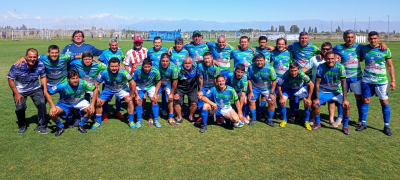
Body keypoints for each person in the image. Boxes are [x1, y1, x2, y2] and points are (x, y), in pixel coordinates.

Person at [333, 30, 387, 126]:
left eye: (351, 37)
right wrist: (335, 55)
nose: (349, 39)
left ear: (355, 38)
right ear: (344, 38)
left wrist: (382, 43)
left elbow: (372, 47)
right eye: (348, 37)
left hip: (356, 77)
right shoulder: (338, 47)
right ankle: (340, 116)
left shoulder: (359, 47)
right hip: (343, 77)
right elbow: (327, 52)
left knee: (359, 97)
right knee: (341, 98)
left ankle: (360, 118)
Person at [358, 31, 395, 136]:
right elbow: (358, 56)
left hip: (381, 81)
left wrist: (393, 80)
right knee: (365, 100)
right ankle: (363, 123)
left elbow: (390, 66)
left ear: (379, 39)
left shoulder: (385, 49)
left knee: (384, 102)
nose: (373, 40)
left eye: (375, 38)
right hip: (367, 80)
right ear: (367, 39)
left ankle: (386, 126)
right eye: (371, 38)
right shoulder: (363, 48)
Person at [7, 48, 52, 134]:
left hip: (35, 88)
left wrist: (45, 90)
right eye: (30, 57)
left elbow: (43, 76)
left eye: (34, 57)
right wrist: (16, 94)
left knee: (41, 104)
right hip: (20, 90)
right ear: (26, 57)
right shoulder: (17, 66)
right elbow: (10, 80)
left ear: (37, 57)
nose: (32, 59)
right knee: (20, 108)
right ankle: (22, 126)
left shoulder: (40, 64)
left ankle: (42, 126)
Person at [48, 70, 97, 136]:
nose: (75, 80)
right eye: (73, 78)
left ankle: (81, 124)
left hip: (80, 102)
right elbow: (48, 93)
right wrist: (53, 107)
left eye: (77, 78)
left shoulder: (83, 82)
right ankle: (60, 126)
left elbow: (95, 89)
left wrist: (92, 105)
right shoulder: (62, 85)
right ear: (68, 79)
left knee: (91, 110)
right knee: (52, 114)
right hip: (65, 104)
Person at [312, 52, 351, 135]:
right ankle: (318, 123)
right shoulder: (321, 67)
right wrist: (317, 98)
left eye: (332, 58)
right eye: (328, 58)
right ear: (325, 59)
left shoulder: (340, 67)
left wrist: (345, 99)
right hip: (324, 91)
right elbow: (317, 83)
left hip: (337, 92)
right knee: (315, 104)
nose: (330, 60)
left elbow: (344, 84)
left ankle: (345, 127)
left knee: (346, 106)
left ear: (335, 58)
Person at [94, 58, 136, 129]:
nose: (114, 68)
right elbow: (96, 83)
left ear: (119, 66)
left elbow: (133, 83)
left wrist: (131, 96)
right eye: (112, 66)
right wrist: (97, 97)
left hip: (121, 89)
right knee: (98, 103)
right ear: (108, 66)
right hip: (108, 89)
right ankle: (98, 122)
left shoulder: (123, 72)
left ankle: (131, 121)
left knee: (130, 102)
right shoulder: (104, 72)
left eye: (116, 66)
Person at [277, 63, 314, 130]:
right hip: (288, 89)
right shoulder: (286, 74)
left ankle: (306, 121)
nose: (293, 72)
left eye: (295, 70)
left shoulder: (302, 74)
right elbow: (279, 85)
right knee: (282, 102)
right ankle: (285, 120)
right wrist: (281, 97)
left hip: (299, 89)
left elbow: (311, 85)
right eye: (291, 71)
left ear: (298, 69)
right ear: (289, 70)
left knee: (307, 103)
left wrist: (309, 98)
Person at [98, 38, 126, 120]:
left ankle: (117, 111)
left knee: (118, 97)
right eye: (112, 45)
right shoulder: (105, 52)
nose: (114, 47)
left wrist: (122, 66)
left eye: (115, 45)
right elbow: (99, 61)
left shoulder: (120, 52)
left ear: (118, 45)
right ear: (109, 45)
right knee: (105, 96)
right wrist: (105, 67)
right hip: (108, 78)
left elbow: (123, 60)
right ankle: (105, 113)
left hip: (118, 77)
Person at [247, 54, 277, 127]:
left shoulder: (270, 68)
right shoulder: (251, 67)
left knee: (272, 102)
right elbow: (249, 80)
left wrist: (272, 93)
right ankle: (254, 119)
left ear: (264, 60)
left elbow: (274, 81)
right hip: (255, 88)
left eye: (261, 61)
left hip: (267, 89)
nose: (259, 62)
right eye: (257, 60)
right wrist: (250, 92)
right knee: (251, 100)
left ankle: (269, 120)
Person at [133, 58, 162, 128]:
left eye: (149, 67)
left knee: (155, 100)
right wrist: (136, 94)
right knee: (138, 101)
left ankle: (156, 120)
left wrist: (156, 93)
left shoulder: (155, 71)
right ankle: (139, 120)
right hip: (140, 86)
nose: (147, 68)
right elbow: (133, 82)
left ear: (151, 66)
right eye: (145, 67)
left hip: (150, 86)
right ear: (142, 66)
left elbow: (159, 81)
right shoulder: (137, 71)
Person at [270, 38, 293, 120]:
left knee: (291, 96)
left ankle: (293, 113)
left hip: (287, 79)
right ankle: (280, 112)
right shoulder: (273, 53)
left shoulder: (289, 53)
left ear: (285, 45)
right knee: (278, 95)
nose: (280, 45)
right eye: (279, 44)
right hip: (276, 79)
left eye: (282, 44)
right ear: (276, 44)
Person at [196, 52, 220, 124]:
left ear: (212, 58)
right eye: (205, 58)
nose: (207, 60)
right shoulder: (200, 66)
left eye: (208, 58)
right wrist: (200, 90)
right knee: (200, 99)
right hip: (203, 86)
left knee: (215, 100)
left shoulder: (216, 67)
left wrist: (217, 89)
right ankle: (201, 115)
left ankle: (218, 116)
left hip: (212, 86)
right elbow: (200, 78)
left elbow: (216, 79)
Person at [174, 56, 199, 123]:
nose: (187, 65)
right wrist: (175, 92)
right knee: (176, 102)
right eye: (185, 63)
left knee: (194, 103)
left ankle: (191, 116)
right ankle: (180, 117)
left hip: (192, 88)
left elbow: (204, 61)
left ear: (192, 63)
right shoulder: (178, 69)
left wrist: (213, 61)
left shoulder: (196, 66)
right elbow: (174, 82)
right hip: (180, 88)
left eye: (189, 63)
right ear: (182, 63)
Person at [158, 53, 179, 125]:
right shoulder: (156, 65)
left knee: (170, 98)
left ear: (169, 61)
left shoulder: (173, 67)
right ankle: (152, 116)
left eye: (167, 61)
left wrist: (172, 93)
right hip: (158, 83)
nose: (165, 63)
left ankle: (171, 116)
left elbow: (175, 81)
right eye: (163, 61)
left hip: (168, 84)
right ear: (160, 61)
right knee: (154, 98)